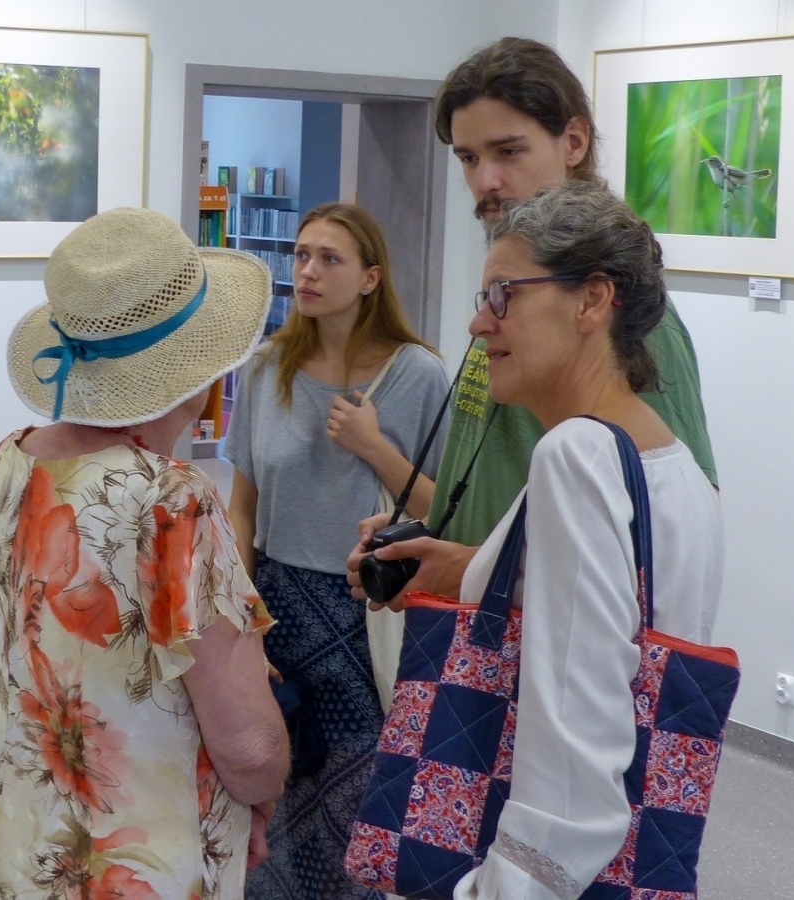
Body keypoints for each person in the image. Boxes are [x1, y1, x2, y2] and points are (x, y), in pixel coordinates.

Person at [0, 207, 289, 899]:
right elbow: (249, 750)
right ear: (197, 369)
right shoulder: (169, 504)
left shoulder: (2, 471)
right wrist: (256, 792)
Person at [348, 37, 716, 604]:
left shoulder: (628, 318)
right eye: (468, 158)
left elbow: (661, 539)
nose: (484, 180)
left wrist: (469, 569)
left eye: (508, 152)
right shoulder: (513, 298)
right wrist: (427, 543)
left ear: (573, 142)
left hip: (552, 657)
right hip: (485, 640)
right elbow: (495, 494)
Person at [456, 182, 724, 898]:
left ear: (591, 301)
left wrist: (508, 886)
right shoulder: (678, 470)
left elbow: (575, 745)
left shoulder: (576, 457)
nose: (481, 324)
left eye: (504, 294)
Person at [224, 203, 452, 900]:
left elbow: (446, 512)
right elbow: (242, 504)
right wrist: (241, 607)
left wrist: (375, 448)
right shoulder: (268, 369)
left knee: (352, 810)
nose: (308, 272)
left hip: (367, 612)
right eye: (301, 256)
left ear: (370, 278)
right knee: (270, 794)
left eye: (329, 259)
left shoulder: (419, 375)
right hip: (279, 608)